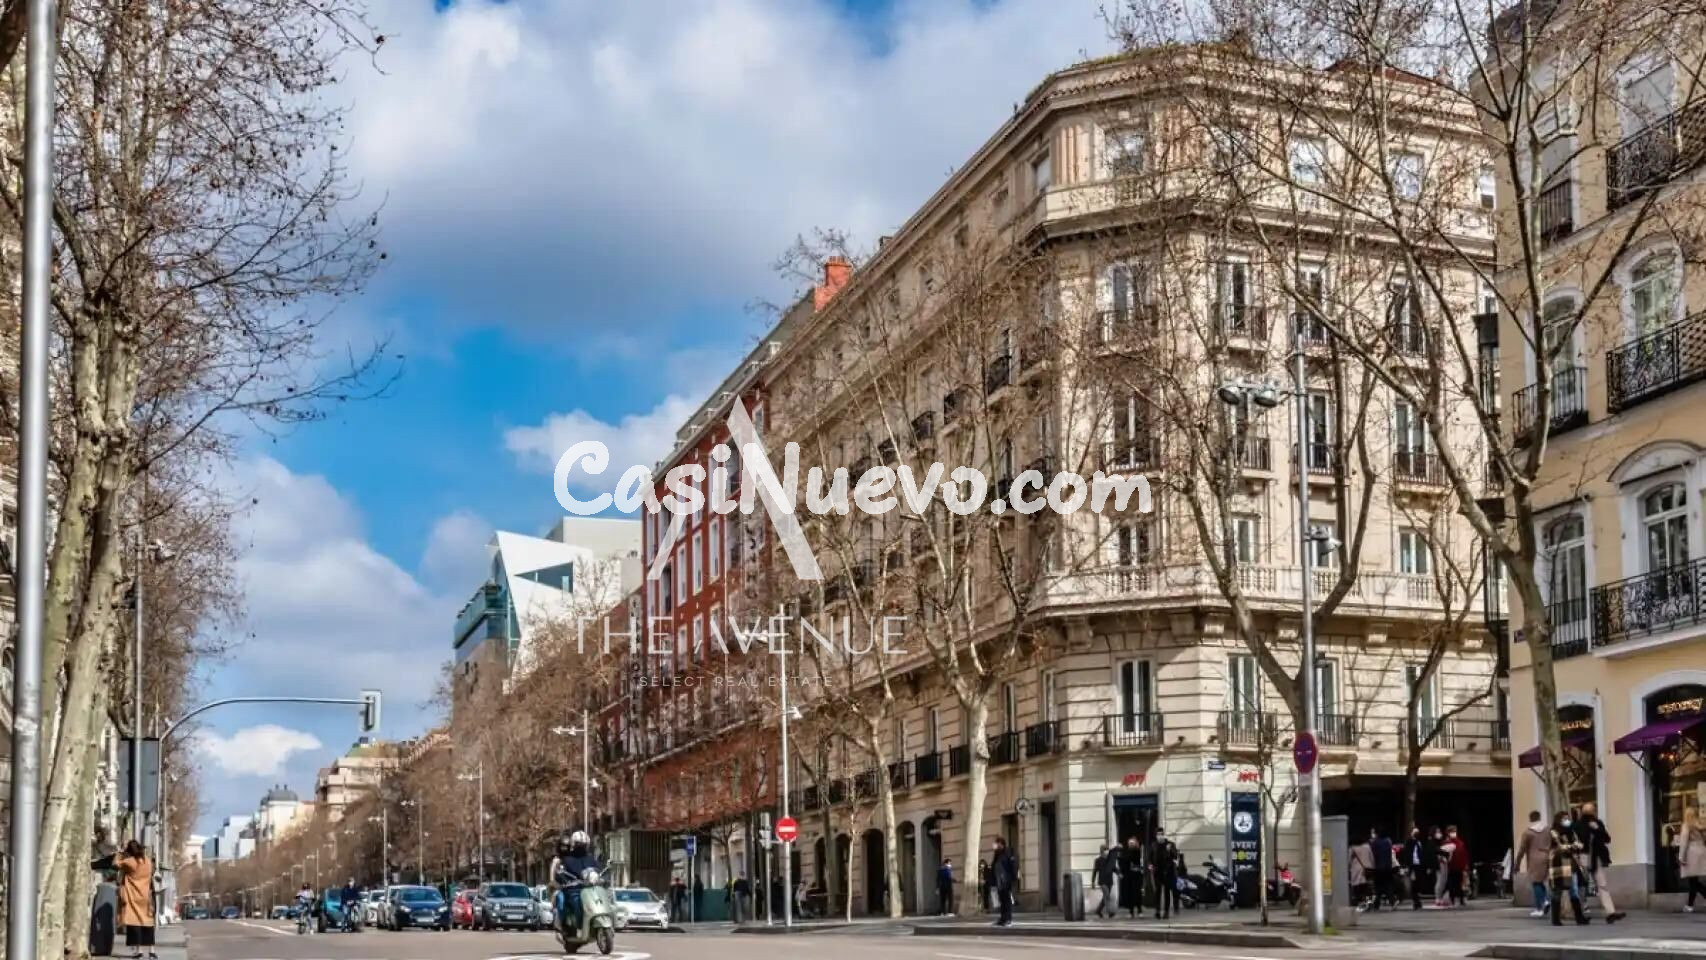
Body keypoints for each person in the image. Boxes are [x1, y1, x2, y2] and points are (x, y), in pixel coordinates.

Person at [1576, 802, 1625, 923]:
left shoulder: (1598, 823)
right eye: (1588, 811)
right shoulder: (1578, 825)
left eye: (1591, 811)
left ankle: (1610, 912)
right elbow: (1580, 839)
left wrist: (1597, 829)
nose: (1591, 813)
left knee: (1602, 884)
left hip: (1596, 857)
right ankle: (1580, 912)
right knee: (1581, 885)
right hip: (1583, 856)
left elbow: (1607, 839)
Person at [109, 840, 157, 960]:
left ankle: (139, 951)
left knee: (134, 922)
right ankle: (152, 951)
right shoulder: (147, 861)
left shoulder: (130, 862)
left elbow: (115, 864)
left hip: (132, 895)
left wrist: (120, 853)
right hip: (145, 896)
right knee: (147, 922)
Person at [549, 830, 601, 933]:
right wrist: (561, 880)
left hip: (589, 888)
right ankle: (564, 923)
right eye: (579, 844)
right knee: (562, 900)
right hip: (572, 889)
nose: (581, 847)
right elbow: (557, 875)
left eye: (584, 845)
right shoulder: (565, 860)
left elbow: (597, 869)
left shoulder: (590, 858)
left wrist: (602, 875)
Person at [1548, 811, 1589, 926]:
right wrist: (1572, 846)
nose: (1567, 821)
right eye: (1564, 819)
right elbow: (1559, 847)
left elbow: (1578, 843)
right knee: (1557, 890)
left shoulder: (1571, 832)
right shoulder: (1554, 832)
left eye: (1568, 818)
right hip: (1559, 864)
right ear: (1559, 820)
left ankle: (1579, 918)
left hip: (1571, 864)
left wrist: (1577, 845)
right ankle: (1555, 919)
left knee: (1574, 890)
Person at [1515, 810, 1554, 918]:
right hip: (1547, 857)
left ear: (1530, 818)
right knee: (1540, 882)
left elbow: (1522, 849)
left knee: (1536, 883)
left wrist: (1517, 864)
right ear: (1539, 817)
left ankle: (1541, 906)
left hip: (1534, 859)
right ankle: (1544, 902)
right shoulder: (1548, 830)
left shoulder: (1528, 832)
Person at [1678, 807, 1706, 912]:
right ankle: (1689, 905)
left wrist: (1681, 857)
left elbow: (1684, 842)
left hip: (1692, 853)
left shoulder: (1686, 825)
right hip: (1702, 851)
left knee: (1693, 881)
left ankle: (1689, 906)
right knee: (1694, 881)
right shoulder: (1701, 825)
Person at [1150, 828, 1179, 919]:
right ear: (1156, 836)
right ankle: (1157, 911)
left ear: (1164, 835)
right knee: (1157, 891)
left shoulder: (1170, 844)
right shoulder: (1154, 845)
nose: (1160, 836)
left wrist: (1170, 850)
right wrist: (1150, 865)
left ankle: (1166, 912)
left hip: (1168, 871)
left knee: (1167, 892)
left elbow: (1175, 856)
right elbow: (1150, 857)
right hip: (1157, 871)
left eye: (1161, 834)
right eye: (1158, 834)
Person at [990, 836, 1017, 927]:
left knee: (1007, 900)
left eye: (997, 843)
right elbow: (994, 866)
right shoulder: (997, 854)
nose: (995, 845)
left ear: (1001, 844)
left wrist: (1012, 878)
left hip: (1006, 880)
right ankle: (1002, 918)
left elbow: (1013, 866)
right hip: (999, 881)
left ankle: (1008, 919)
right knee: (1002, 900)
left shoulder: (1008, 852)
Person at [1400, 827, 1428, 910]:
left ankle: (1417, 901)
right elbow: (1406, 854)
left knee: (1418, 883)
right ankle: (1416, 901)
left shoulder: (1420, 842)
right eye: (1414, 832)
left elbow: (1422, 853)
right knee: (1414, 883)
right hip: (1412, 866)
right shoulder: (1409, 842)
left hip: (1419, 865)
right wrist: (1406, 865)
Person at [1118, 836, 1145, 918]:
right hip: (1129, 875)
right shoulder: (1126, 852)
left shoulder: (1138, 851)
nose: (1131, 844)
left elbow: (1136, 860)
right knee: (1130, 894)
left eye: (1132, 843)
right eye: (1129, 843)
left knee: (1138, 893)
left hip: (1137, 875)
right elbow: (1123, 863)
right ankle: (1131, 911)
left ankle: (1139, 910)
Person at [1370, 828, 1395, 911]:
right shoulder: (1388, 841)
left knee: (1378, 887)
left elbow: (1373, 855)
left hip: (1378, 868)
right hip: (1387, 867)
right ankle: (1392, 902)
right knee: (1389, 885)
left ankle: (1376, 904)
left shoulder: (1375, 842)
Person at [1444, 826, 1470, 907]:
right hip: (1451, 867)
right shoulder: (1446, 843)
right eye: (1452, 831)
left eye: (1455, 831)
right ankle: (1452, 899)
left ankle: (1461, 899)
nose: (1454, 833)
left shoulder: (1460, 843)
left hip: (1460, 867)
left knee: (1460, 884)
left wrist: (1465, 865)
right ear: (1448, 833)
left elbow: (1464, 854)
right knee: (1452, 884)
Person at [1092, 846, 1117, 918]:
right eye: (1105, 850)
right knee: (1107, 896)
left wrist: (1119, 873)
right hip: (1102, 881)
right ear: (1101, 851)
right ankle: (1110, 912)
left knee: (1105, 897)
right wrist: (1093, 882)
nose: (1106, 852)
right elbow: (1095, 871)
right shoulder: (1098, 860)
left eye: (1107, 850)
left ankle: (1098, 910)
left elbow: (1114, 868)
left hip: (1109, 881)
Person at [1349, 835, 1372, 911]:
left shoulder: (1352, 849)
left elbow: (1349, 860)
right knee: (1366, 888)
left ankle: (1360, 903)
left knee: (1357, 888)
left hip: (1356, 870)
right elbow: (1371, 857)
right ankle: (1367, 903)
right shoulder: (1367, 847)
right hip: (1366, 869)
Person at [1432, 827, 1452, 906]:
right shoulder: (1433, 843)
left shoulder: (1441, 842)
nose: (1439, 833)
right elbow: (1436, 851)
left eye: (1439, 831)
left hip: (1444, 862)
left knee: (1444, 881)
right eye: (1437, 832)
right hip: (1439, 863)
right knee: (1439, 881)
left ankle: (1441, 898)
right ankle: (1437, 898)